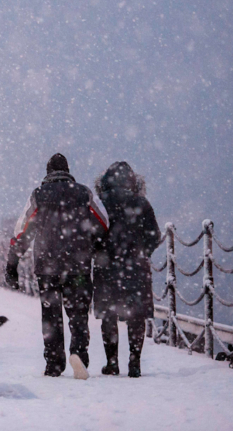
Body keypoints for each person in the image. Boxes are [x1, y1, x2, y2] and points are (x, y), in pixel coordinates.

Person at [6, 153, 108, 379]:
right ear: (68, 171)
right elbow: (103, 222)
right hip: (79, 267)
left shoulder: (39, 196)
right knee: (79, 312)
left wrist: (12, 264)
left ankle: (54, 362)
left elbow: (22, 231)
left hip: (47, 268)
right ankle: (79, 353)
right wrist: (94, 244)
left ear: (48, 172)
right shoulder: (84, 193)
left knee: (51, 315)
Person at [93, 162, 160, 378]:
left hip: (107, 267)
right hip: (136, 268)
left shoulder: (100, 203)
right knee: (136, 315)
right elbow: (154, 235)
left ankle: (112, 363)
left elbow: (92, 234)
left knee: (109, 316)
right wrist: (142, 253)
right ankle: (135, 362)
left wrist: (100, 253)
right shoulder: (142, 203)